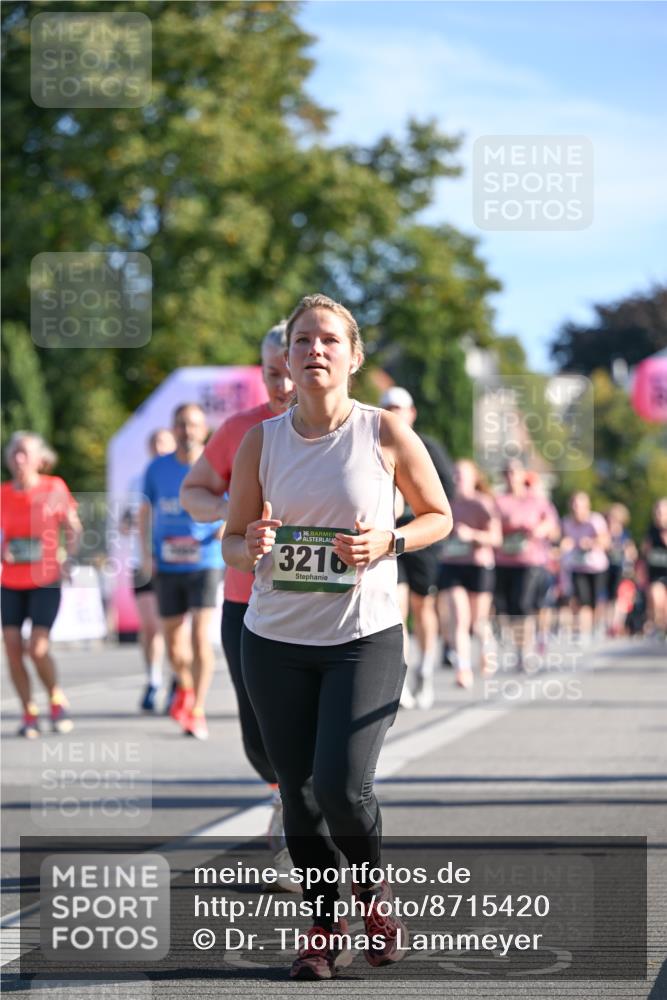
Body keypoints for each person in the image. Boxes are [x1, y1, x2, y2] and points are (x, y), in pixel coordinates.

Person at [222, 293, 452, 980]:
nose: (314, 350)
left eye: (328, 340)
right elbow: (230, 541)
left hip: (362, 637)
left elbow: (439, 515)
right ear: (286, 359)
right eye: (302, 341)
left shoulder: (384, 432)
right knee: (296, 793)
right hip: (273, 641)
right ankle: (324, 926)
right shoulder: (261, 441)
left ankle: (373, 895)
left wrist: (390, 540)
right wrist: (250, 544)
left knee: (342, 787)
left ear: (353, 357)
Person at [180, 322, 297, 879]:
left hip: (321, 604)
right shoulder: (240, 429)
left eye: (291, 372)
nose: (284, 386)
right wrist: (230, 507)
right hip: (246, 600)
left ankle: (301, 828)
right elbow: (193, 490)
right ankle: (283, 792)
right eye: (272, 374)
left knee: (310, 727)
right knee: (258, 731)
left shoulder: (350, 428)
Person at [139, 404, 223, 740]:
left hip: (205, 560)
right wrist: (146, 552)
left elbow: (239, 501)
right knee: (173, 645)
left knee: (200, 636)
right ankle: (185, 688)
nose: (187, 430)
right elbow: (145, 511)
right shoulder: (157, 468)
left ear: (204, 430)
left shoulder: (218, 465)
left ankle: (198, 709)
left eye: (193, 424)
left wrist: (227, 524)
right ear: (173, 429)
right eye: (181, 424)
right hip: (167, 562)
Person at [1, 432, 82, 737]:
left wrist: (69, 557)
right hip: (10, 580)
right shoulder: (3, 494)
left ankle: (55, 699)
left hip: (46, 580)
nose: (19, 459)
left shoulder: (53, 487)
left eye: (25, 453)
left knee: (37, 647)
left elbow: (73, 526)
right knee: (12, 649)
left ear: (39, 459)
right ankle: (28, 712)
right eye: (14, 453)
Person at [379, 386, 455, 710]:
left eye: (399, 408)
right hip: (388, 536)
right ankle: (401, 678)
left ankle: (425, 673)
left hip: (421, 536)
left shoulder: (427, 446)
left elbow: (447, 492)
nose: (394, 414)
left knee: (424, 606)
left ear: (411, 413)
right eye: (388, 408)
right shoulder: (373, 444)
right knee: (397, 607)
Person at [121, 428, 176, 712]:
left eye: (164, 443)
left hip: (175, 563)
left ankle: (178, 679)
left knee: (173, 627)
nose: (159, 448)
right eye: (154, 443)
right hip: (141, 563)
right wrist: (133, 525)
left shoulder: (183, 476)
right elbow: (124, 522)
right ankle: (153, 681)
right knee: (150, 626)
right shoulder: (137, 481)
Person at [437, 460, 502, 688]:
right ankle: (463, 668)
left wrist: (472, 535)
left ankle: (487, 650)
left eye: (461, 475)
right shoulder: (447, 503)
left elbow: (496, 539)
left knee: (478, 622)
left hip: (479, 565)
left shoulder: (482, 504)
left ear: (474, 479)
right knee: (459, 617)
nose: (457, 479)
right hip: (452, 565)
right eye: (454, 474)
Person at [493, 459, 559, 671]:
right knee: (507, 607)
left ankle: (524, 651)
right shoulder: (498, 501)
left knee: (523, 605)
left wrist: (538, 530)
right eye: (507, 472)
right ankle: (517, 647)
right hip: (503, 560)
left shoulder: (536, 500)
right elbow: (490, 525)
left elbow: (552, 527)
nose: (511, 475)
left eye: (515, 471)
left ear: (523, 475)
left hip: (531, 561)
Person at [560, 492, 610, 641]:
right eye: (574, 505)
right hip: (577, 566)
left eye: (580, 505)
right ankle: (584, 631)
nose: (577, 508)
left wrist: (591, 543)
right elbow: (564, 540)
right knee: (582, 600)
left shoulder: (595, 520)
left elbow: (605, 541)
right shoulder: (566, 522)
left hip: (596, 567)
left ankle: (597, 625)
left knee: (596, 600)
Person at [605, 503, 637, 637]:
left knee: (620, 598)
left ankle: (616, 624)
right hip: (607, 568)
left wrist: (629, 555)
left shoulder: (625, 534)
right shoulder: (605, 532)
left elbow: (632, 552)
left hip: (621, 569)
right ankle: (609, 625)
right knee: (608, 597)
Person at [641, 497, 667, 639]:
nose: (659, 515)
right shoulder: (651, 530)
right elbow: (645, 553)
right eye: (657, 512)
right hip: (656, 574)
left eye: (662, 512)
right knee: (657, 599)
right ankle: (658, 628)